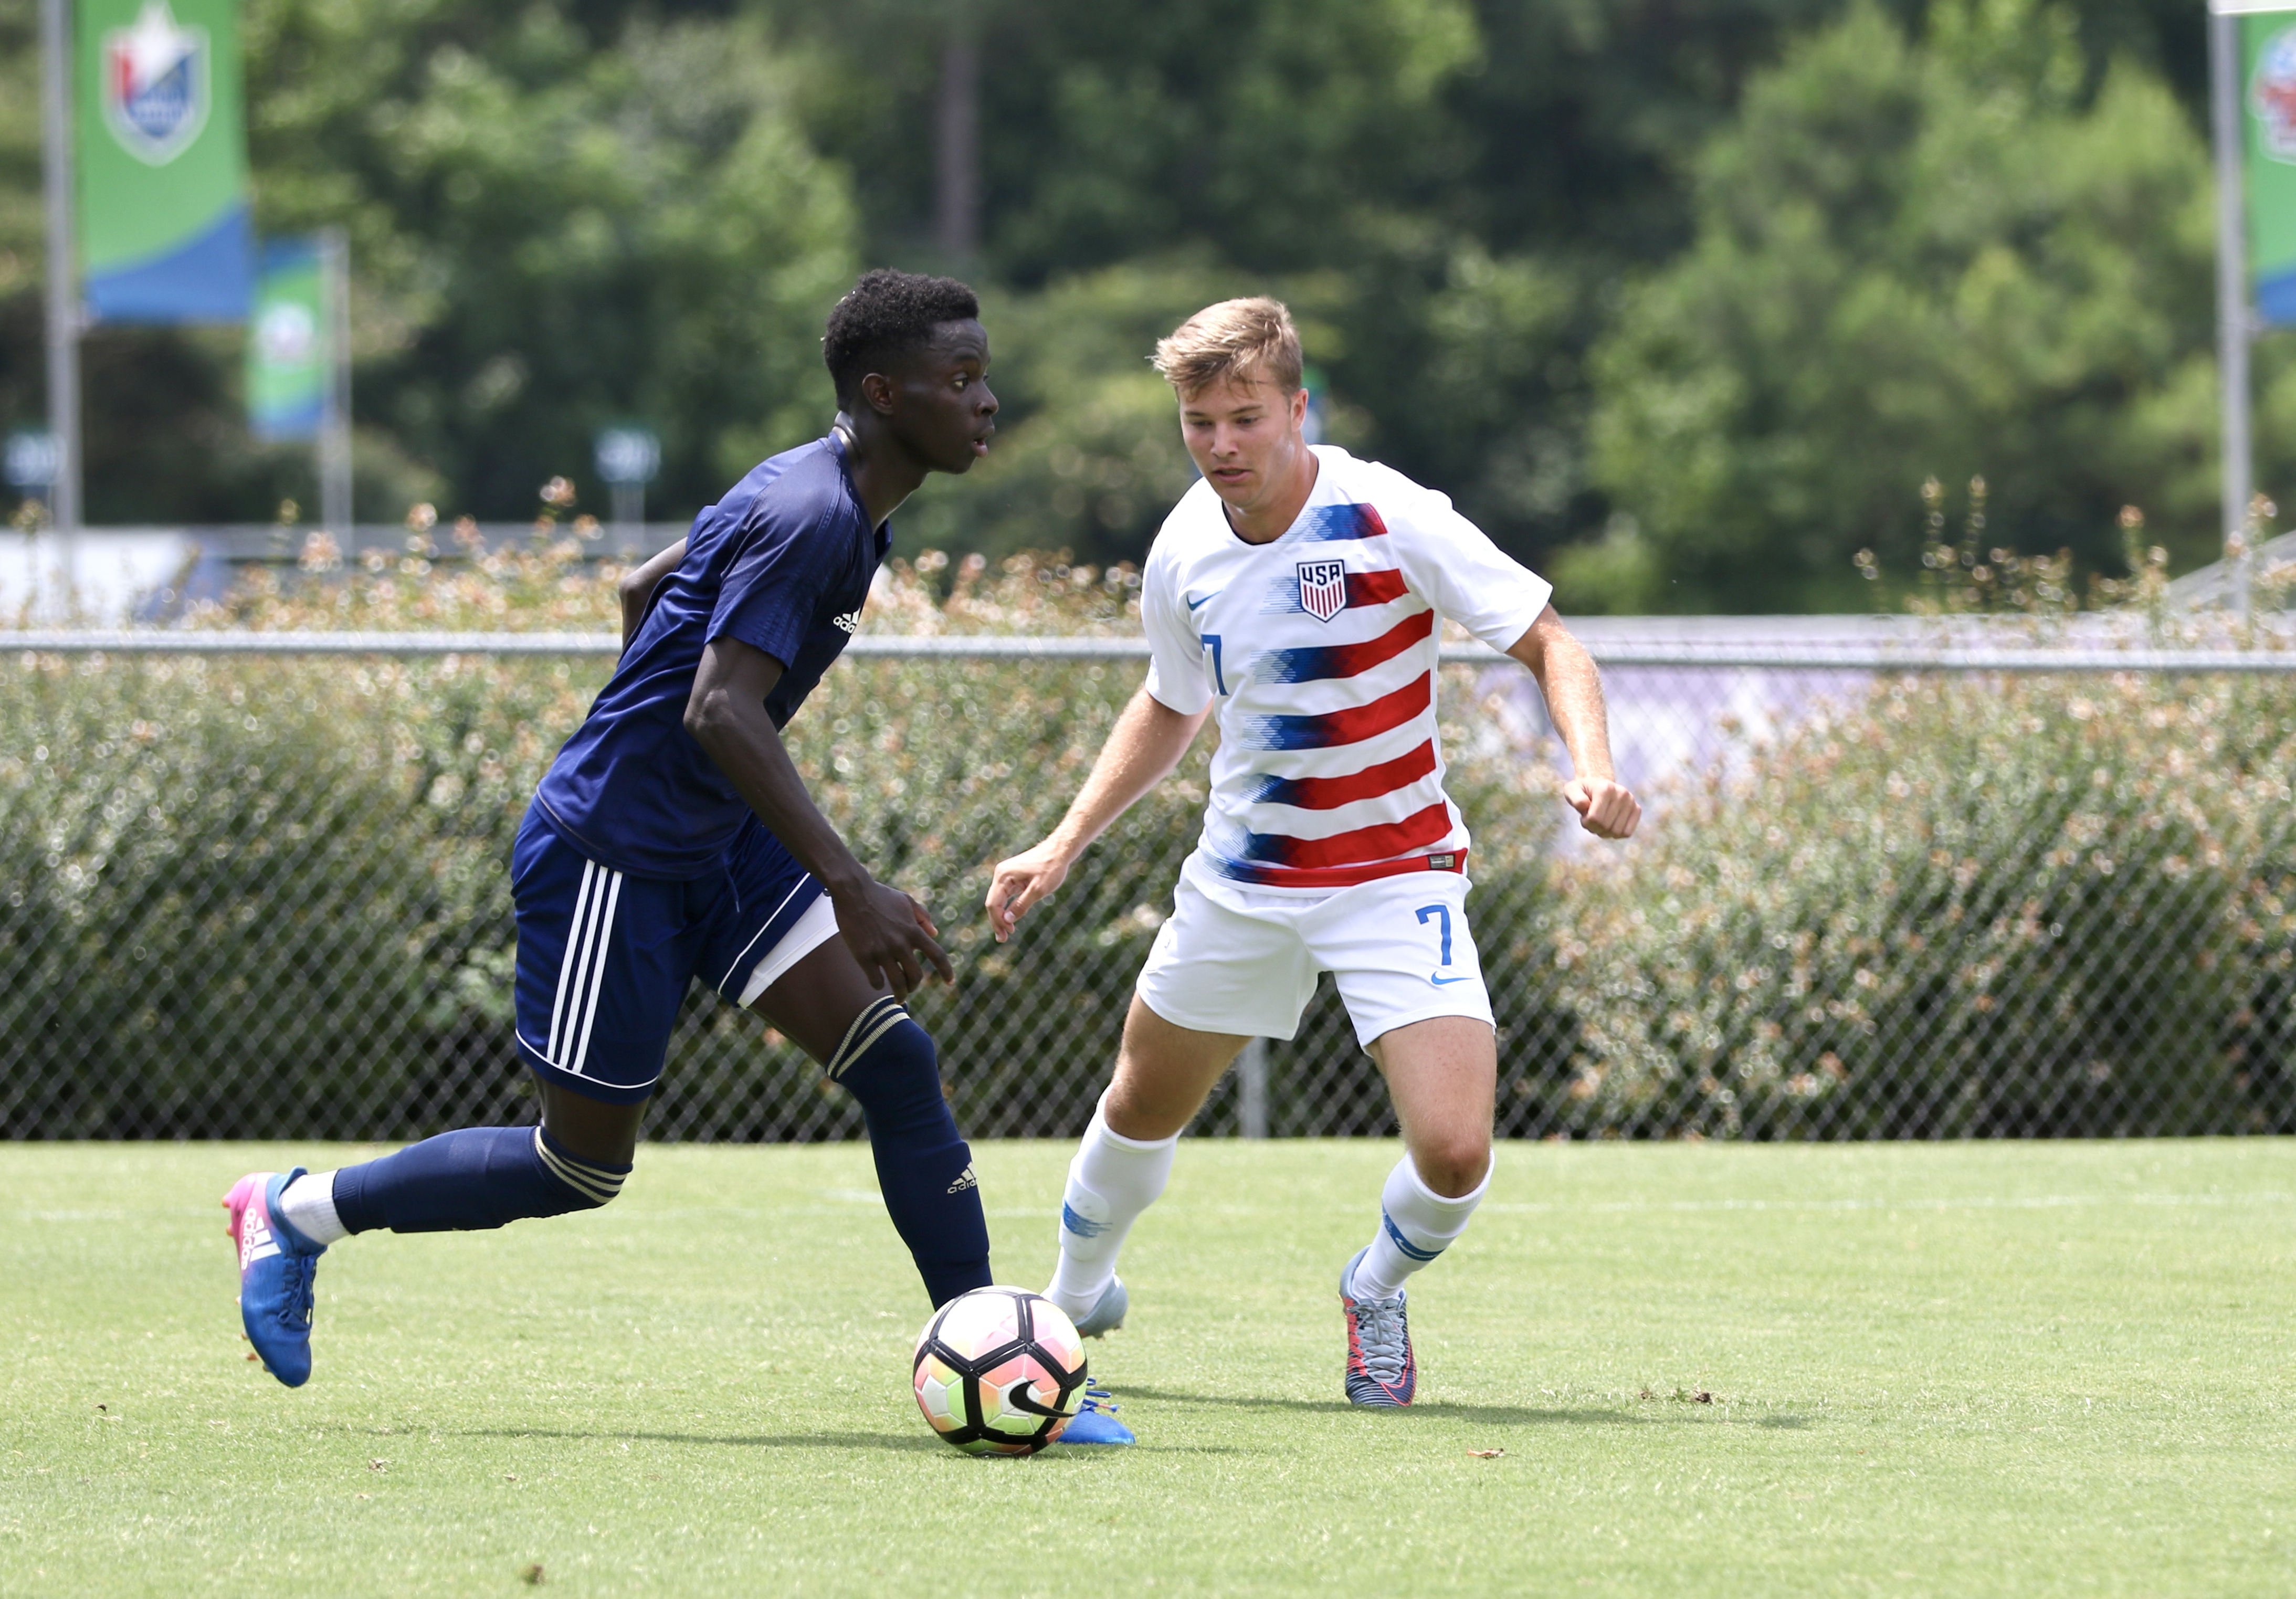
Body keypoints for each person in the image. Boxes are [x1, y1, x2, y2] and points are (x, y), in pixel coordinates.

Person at [226, 269, 1005, 1388]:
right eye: (962, 379)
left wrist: (672, 756)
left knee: (896, 1061)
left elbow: (647, 590)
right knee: (579, 1167)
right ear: (884, 393)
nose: (986, 401)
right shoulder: (815, 514)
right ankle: (296, 1211)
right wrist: (844, 880)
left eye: (985, 377)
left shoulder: (826, 492)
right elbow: (719, 704)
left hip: (712, 836)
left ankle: (990, 1355)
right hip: (616, 856)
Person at [985, 298, 1641, 1436]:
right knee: (1142, 1101)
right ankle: (1071, 1301)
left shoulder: (1389, 513)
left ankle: (1373, 1287)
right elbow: (1169, 703)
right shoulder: (1183, 547)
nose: (1224, 443)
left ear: (1298, 407)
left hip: (1399, 875)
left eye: (1247, 416)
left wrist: (1591, 768)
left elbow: (1550, 638)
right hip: (1244, 882)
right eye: (1200, 422)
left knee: (1454, 1151)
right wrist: (1061, 839)